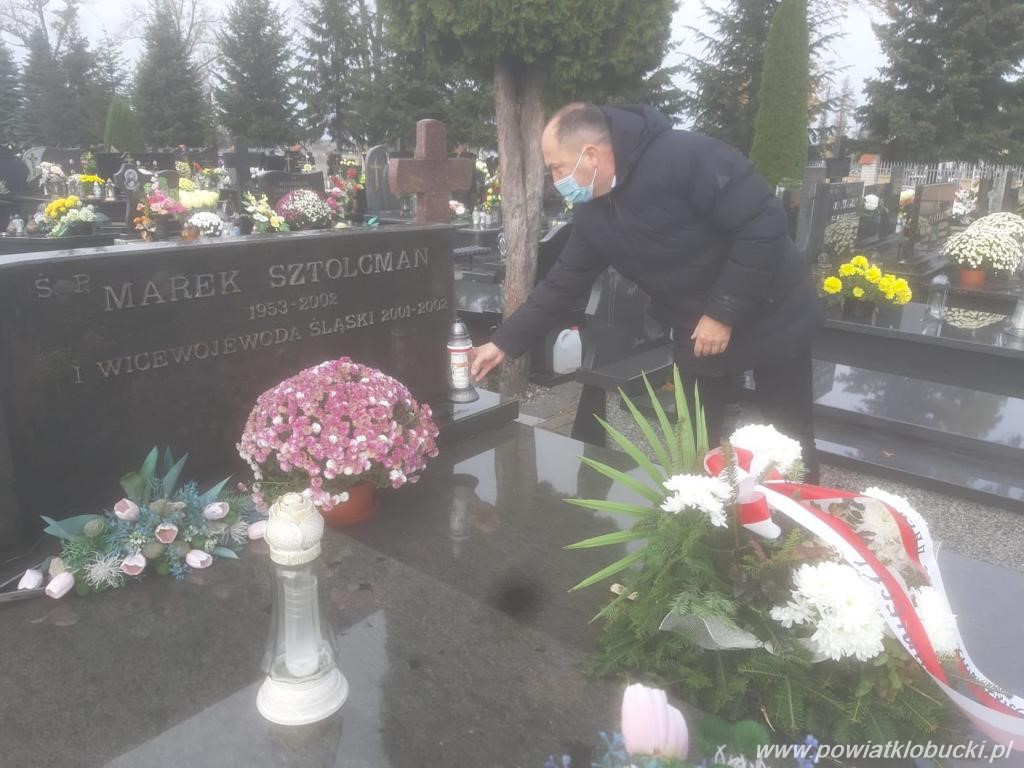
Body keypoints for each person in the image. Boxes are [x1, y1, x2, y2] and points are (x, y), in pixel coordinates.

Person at [470, 103, 824, 482]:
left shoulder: (685, 156)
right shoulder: (593, 213)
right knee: (695, 443)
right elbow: (562, 283)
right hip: (695, 327)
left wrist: (723, 312)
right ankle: (703, 513)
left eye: (557, 167)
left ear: (591, 155)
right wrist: (503, 342)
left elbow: (762, 222)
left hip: (772, 310)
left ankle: (800, 513)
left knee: (788, 438)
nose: (555, 180)